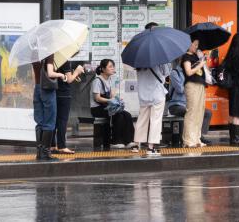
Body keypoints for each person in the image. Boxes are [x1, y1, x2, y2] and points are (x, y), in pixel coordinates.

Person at [130, 21, 171, 155]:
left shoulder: (139, 52)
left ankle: (137, 145)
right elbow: (166, 72)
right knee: (155, 120)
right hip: (157, 93)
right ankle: (151, 147)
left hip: (143, 93)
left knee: (142, 119)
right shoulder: (159, 52)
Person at [90, 59, 136, 149]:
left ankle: (129, 140)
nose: (112, 68)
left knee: (127, 115)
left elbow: (112, 96)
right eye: (110, 66)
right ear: (103, 69)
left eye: (113, 66)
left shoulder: (110, 79)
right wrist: (110, 101)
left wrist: (117, 100)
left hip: (107, 106)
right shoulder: (97, 81)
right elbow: (97, 98)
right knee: (118, 115)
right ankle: (116, 141)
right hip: (97, 108)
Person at [167, 65, 212, 145]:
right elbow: (180, 89)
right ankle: (191, 137)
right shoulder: (175, 73)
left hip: (189, 104)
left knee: (207, 113)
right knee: (192, 112)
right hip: (176, 105)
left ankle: (199, 135)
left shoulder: (192, 73)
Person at [33, 55, 65, 160]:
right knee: (50, 120)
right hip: (47, 89)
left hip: (37, 88)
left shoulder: (33, 53)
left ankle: (39, 152)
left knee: (40, 121)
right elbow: (50, 73)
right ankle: (46, 152)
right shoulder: (48, 53)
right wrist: (61, 75)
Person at [51, 60, 85, 154]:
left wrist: (74, 75)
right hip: (64, 94)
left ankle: (52, 145)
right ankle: (62, 146)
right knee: (62, 120)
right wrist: (77, 71)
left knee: (54, 120)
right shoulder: (65, 61)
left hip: (54, 93)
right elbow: (69, 80)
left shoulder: (53, 60)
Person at [181, 40, 209, 148]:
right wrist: (200, 64)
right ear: (189, 44)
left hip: (200, 85)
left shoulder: (196, 56)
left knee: (199, 112)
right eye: (195, 45)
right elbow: (188, 72)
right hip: (191, 85)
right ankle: (188, 140)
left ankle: (196, 138)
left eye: (198, 45)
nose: (197, 47)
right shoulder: (186, 57)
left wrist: (202, 60)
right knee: (192, 111)